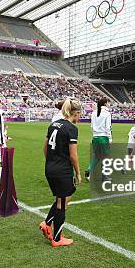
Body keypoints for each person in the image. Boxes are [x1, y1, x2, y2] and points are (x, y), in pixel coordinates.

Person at [39, 98, 82, 247]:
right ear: (75, 113)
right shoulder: (71, 128)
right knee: (62, 203)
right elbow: (73, 155)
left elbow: (45, 148)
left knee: (61, 199)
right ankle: (57, 238)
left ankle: (47, 223)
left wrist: (52, 162)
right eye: (79, 114)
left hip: (50, 168)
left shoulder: (53, 125)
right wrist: (78, 173)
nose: (80, 117)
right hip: (62, 170)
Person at [84, 98, 112, 182]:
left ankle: (89, 171)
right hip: (103, 137)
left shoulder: (93, 113)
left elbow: (92, 126)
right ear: (105, 103)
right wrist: (110, 139)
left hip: (95, 137)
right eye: (108, 103)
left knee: (96, 156)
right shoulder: (107, 113)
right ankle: (105, 176)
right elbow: (108, 127)